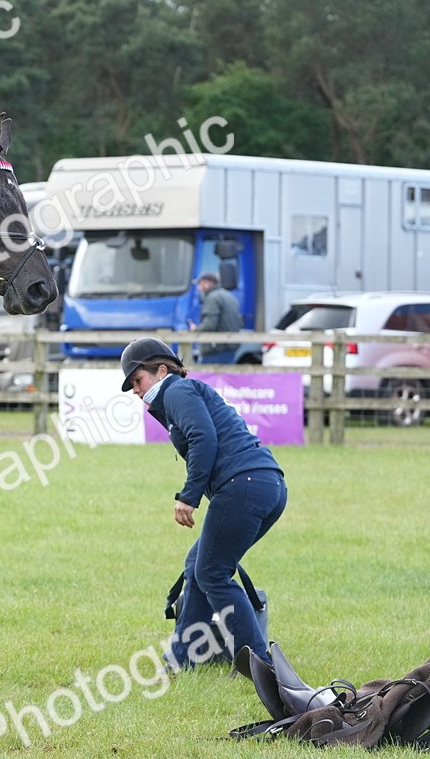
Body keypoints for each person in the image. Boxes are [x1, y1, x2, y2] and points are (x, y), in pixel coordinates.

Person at [120, 337, 287, 669]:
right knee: (199, 565)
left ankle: (263, 667)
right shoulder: (178, 394)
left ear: (161, 371)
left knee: (212, 573)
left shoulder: (176, 391)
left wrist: (188, 497)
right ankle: (179, 660)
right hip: (265, 484)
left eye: (137, 380)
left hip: (244, 485)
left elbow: (202, 437)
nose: (136, 391)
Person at [190, 271, 242, 361]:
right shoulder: (229, 296)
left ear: (207, 284)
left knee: (206, 374)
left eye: (200, 284)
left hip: (215, 349)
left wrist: (196, 329)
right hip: (230, 347)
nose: (199, 288)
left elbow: (210, 324)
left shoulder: (212, 298)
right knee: (226, 374)